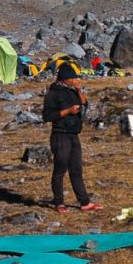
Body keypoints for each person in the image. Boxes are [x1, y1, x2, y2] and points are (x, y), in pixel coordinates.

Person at [42, 58, 101, 212]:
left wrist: (79, 91)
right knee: (60, 168)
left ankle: (85, 202)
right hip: (60, 135)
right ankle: (58, 202)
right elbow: (47, 116)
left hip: (74, 134)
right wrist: (67, 111)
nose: (75, 80)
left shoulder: (73, 91)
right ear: (65, 79)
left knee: (76, 169)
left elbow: (85, 105)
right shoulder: (53, 94)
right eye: (73, 78)